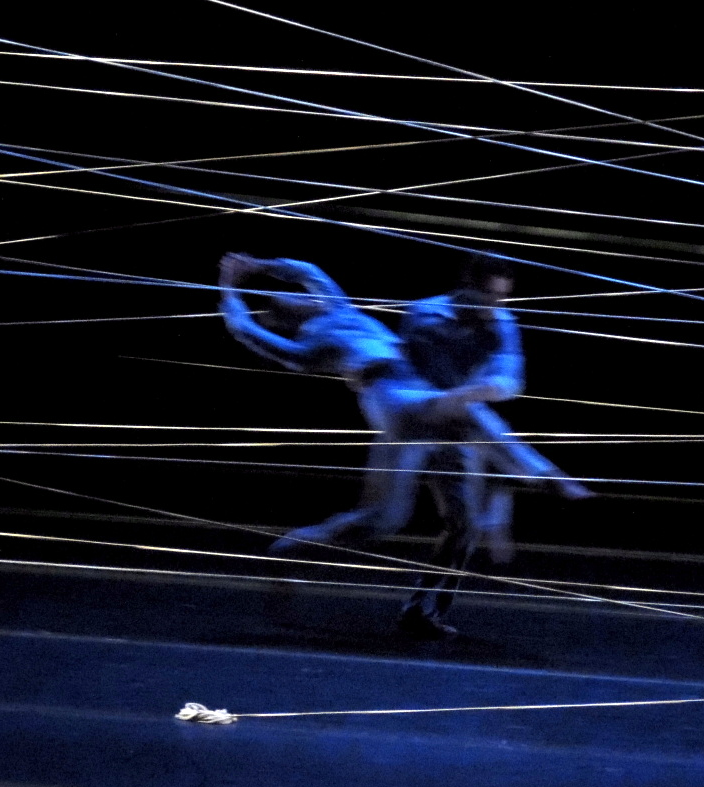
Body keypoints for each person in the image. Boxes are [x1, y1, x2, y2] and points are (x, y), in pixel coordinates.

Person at [218, 252, 544, 636]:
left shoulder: (336, 305)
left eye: (298, 294)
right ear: (286, 316)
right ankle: (289, 551)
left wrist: (258, 265)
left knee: (464, 522)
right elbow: (245, 330)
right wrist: (228, 291)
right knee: (383, 519)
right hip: (399, 414)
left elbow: (309, 272)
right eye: (288, 299)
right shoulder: (309, 348)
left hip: (433, 403)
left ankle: (424, 611)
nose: (301, 295)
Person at [401, 253, 593, 568]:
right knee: (387, 516)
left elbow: (511, 378)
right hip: (417, 414)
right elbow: (412, 368)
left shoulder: (502, 322)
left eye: (502, 297)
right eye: (488, 294)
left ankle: (428, 598)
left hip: (462, 424)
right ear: (468, 285)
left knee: (462, 526)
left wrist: (478, 389)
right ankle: (545, 475)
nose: (495, 304)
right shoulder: (425, 312)